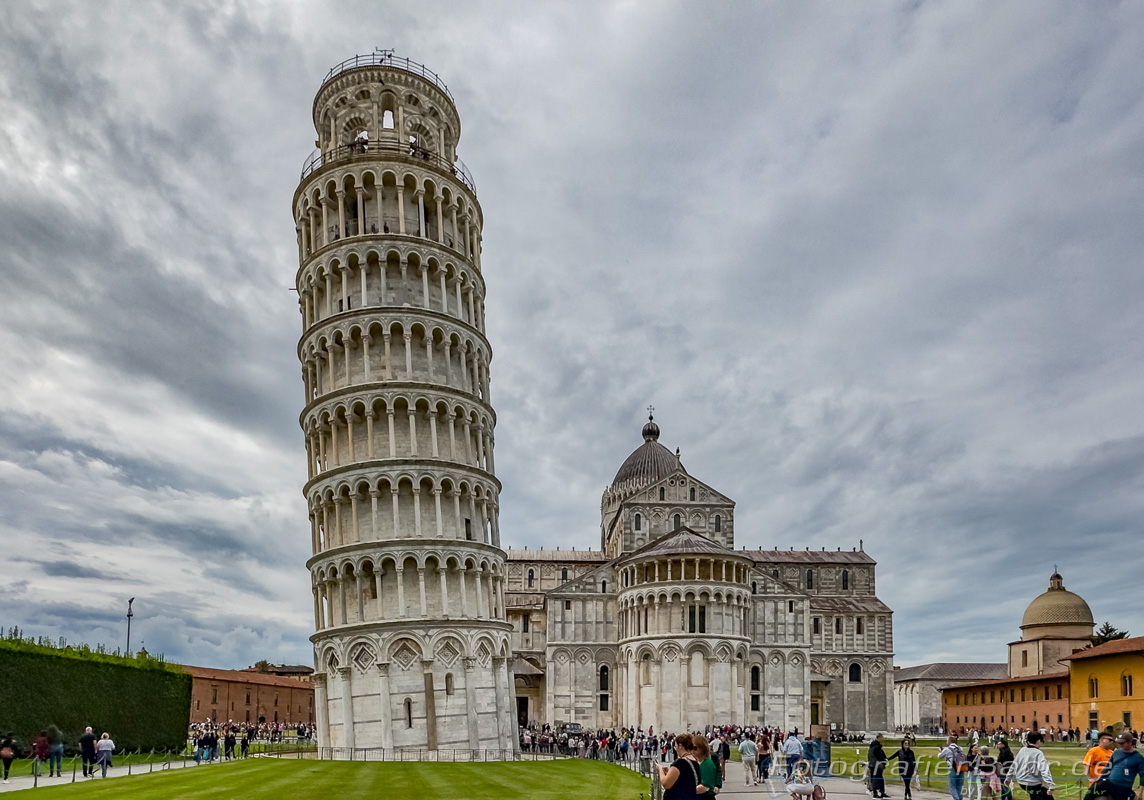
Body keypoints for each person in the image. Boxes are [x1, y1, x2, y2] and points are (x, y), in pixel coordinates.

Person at [1005, 731, 1054, 800]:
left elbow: (1014, 765)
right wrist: (1051, 785)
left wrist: (1008, 778)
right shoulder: (1038, 753)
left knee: (1047, 796)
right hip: (1032, 783)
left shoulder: (1022, 750)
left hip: (1022, 782)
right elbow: (1044, 770)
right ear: (1039, 741)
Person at [656, 733, 699, 800]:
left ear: (680, 746)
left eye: (675, 746)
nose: (675, 749)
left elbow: (666, 784)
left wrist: (660, 769)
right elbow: (684, 779)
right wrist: (669, 773)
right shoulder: (694, 761)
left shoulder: (680, 763)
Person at [1102, 731, 1144, 800]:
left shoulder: (1138, 758)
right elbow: (1107, 768)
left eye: (1122, 743)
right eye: (1119, 743)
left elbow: (1143, 775)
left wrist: (1140, 791)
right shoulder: (1116, 753)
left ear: (1130, 742)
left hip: (1124, 788)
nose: (1120, 745)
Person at [1085, 731, 1117, 796]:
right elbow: (1086, 764)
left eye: (1112, 740)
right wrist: (1089, 778)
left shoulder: (1111, 753)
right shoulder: (1094, 751)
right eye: (1110, 740)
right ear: (1102, 740)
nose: (1112, 742)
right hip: (1097, 783)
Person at [940, 735, 969, 800]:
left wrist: (940, 751)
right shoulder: (960, 748)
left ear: (949, 741)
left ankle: (956, 799)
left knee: (952, 786)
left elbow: (940, 756)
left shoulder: (947, 749)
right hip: (961, 767)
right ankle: (960, 798)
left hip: (952, 767)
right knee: (959, 785)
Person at [869, 733, 889, 799]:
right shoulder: (876, 747)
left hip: (873, 764)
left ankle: (881, 791)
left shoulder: (873, 746)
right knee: (876, 779)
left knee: (877, 779)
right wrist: (884, 761)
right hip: (876, 764)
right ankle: (876, 793)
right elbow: (879, 755)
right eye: (882, 737)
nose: (883, 738)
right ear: (879, 737)